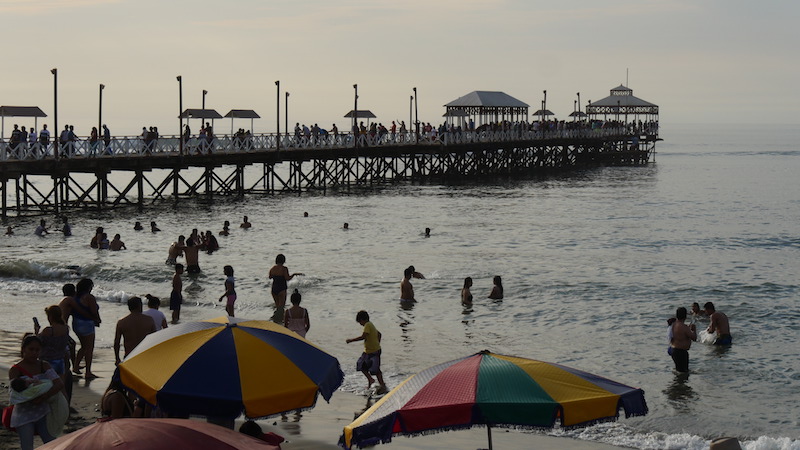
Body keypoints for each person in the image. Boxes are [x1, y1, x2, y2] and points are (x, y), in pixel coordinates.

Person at [8, 335, 65, 449]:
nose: (34, 353)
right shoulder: (15, 370)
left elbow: (59, 383)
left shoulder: (44, 366)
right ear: (24, 349)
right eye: (31, 349)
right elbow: (15, 392)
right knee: (27, 446)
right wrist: (34, 398)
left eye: (37, 350)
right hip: (23, 414)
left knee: (52, 444)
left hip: (43, 412)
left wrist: (43, 397)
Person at [346, 310, 387, 395]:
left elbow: (363, 336)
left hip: (374, 352)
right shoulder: (371, 325)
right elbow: (379, 334)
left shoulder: (368, 325)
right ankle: (371, 380)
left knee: (375, 370)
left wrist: (351, 340)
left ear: (362, 319)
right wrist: (376, 343)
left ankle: (382, 385)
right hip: (369, 351)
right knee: (362, 365)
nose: (360, 324)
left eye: (360, 322)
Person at [68, 278, 101, 379]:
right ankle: (88, 372)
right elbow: (93, 311)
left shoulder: (75, 297)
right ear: (88, 287)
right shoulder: (89, 297)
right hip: (86, 324)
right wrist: (98, 320)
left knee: (83, 346)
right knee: (89, 348)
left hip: (76, 323)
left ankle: (76, 366)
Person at [114, 296, 156, 365]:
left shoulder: (122, 322)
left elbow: (116, 342)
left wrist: (117, 358)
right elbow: (155, 339)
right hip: (145, 355)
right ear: (140, 306)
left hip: (129, 356)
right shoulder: (149, 320)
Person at [669, 307, 697, 373]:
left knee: (679, 372)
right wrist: (694, 330)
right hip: (681, 352)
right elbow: (694, 338)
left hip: (674, 350)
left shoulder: (674, 325)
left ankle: (677, 382)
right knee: (684, 373)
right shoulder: (684, 327)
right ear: (685, 316)